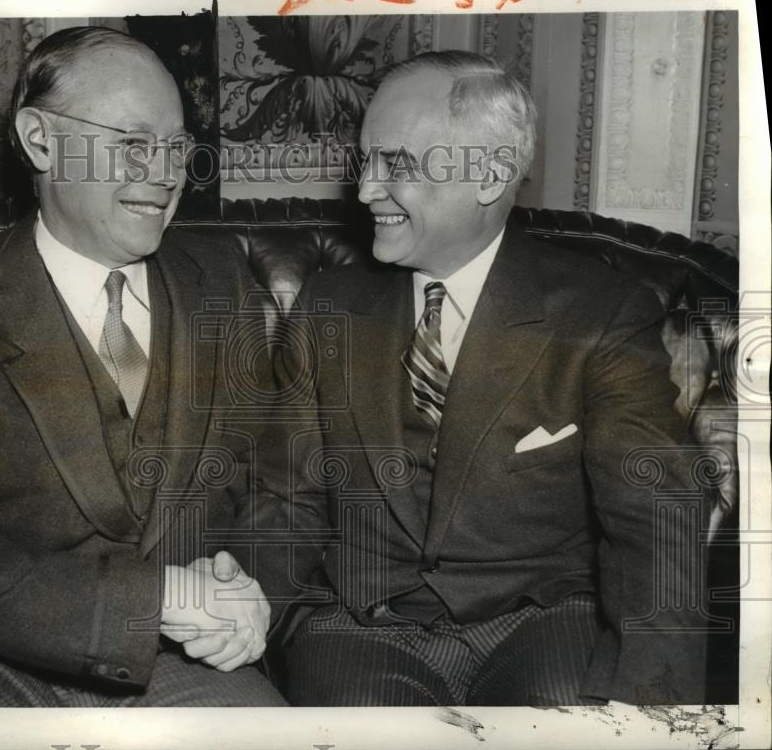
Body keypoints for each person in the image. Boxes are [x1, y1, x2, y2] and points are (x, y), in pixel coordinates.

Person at [0, 27, 284, 707]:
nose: (166, 172)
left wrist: (248, 588)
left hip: (179, 659)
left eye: (177, 147)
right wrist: (160, 595)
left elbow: (270, 487)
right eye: (133, 144)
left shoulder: (220, 285)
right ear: (40, 140)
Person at [271, 50, 708, 706]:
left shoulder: (601, 312)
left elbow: (654, 518)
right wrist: (248, 601)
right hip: (362, 625)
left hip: (543, 620)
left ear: (491, 175)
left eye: (396, 164)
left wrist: (658, 712)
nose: (364, 190)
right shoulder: (326, 306)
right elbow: (286, 500)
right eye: (365, 161)